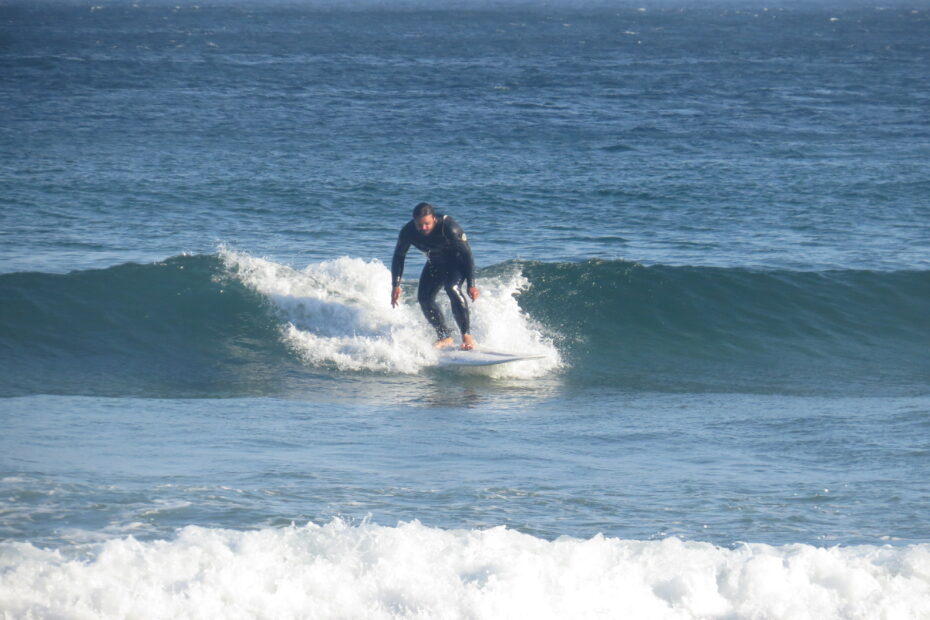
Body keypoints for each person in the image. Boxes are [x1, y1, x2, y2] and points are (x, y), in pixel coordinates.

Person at [391, 202, 479, 350]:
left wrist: (472, 284)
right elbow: (399, 256)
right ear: (414, 221)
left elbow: (467, 255)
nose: (423, 228)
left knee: (452, 288)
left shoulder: (449, 227)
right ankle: (445, 336)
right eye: (420, 225)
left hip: (457, 262)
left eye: (427, 224)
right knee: (424, 298)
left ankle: (466, 336)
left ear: (434, 219)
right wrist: (396, 285)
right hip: (435, 263)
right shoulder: (408, 231)